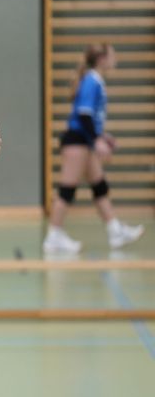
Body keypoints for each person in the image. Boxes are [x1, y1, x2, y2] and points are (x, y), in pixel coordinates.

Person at [43, 42, 143, 253]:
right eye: (112, 55)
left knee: (99, 186)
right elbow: (84, 114)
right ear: (101, 59)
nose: (115, 60)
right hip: (77, 141)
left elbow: (90, 118)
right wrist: (97, 140)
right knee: (67, 189)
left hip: (85, 140)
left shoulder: (95, 80)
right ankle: (54, 235)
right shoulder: (91, 80)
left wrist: (102, 137)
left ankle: (115, 230)